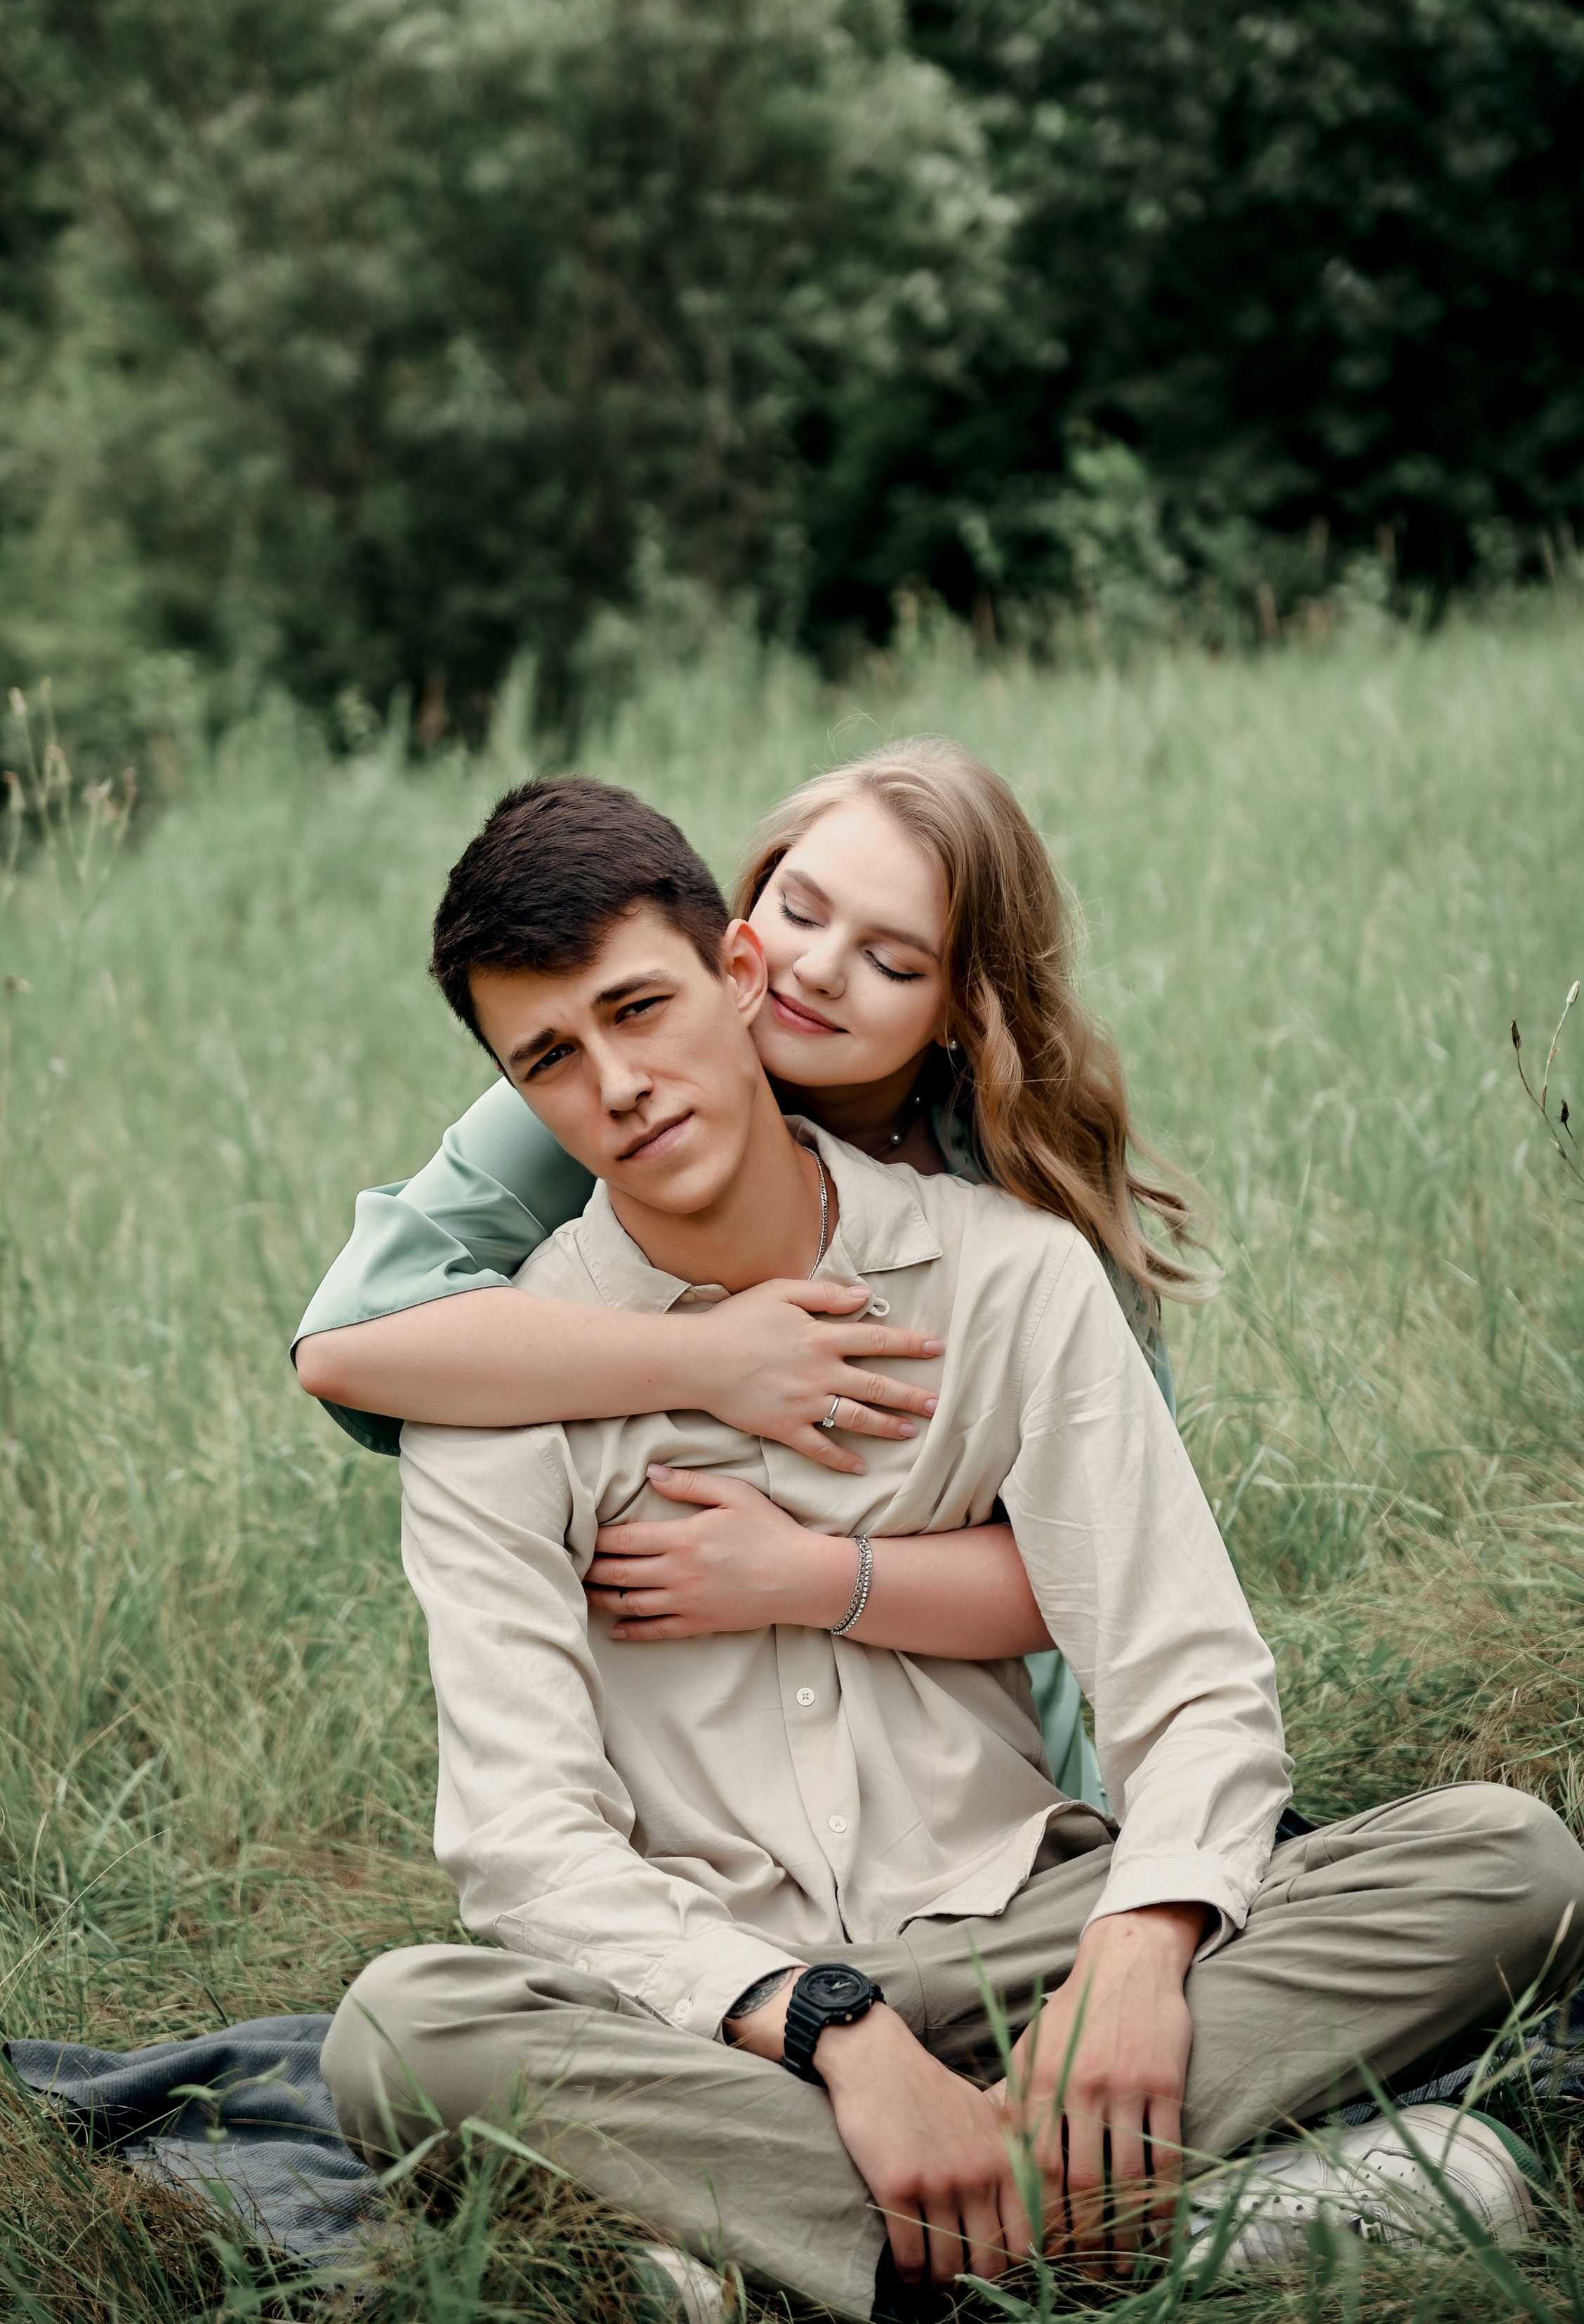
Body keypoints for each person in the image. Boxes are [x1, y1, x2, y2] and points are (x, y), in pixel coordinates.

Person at [317, 778, 1584, 2320]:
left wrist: (1134, 1950)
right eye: (552, 1060)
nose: (620, 1084)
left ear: (733, 980)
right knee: (400, 2031)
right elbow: (524, 1843)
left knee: (1506, 1859)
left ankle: (795, 2257)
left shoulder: (1014, 1279)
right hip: (720, 1995)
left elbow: (1181, 1679)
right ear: (520, 1093)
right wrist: (826, 2029)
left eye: (639, 1009)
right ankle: (1153, 2218)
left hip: (1023, 1927)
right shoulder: (490, 1387)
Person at [296, 739, 1205, 1810]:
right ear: (743, 924)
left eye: (894, 960)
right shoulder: (620, 1075)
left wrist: (816, 1577)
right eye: (801, 910)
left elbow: (1113, 1558)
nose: (816, 969)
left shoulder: (1017, 1196)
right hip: (719, 1801)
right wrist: (710, 1358)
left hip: (986, 1773)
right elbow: (348, 1342)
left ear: (965, 1002)